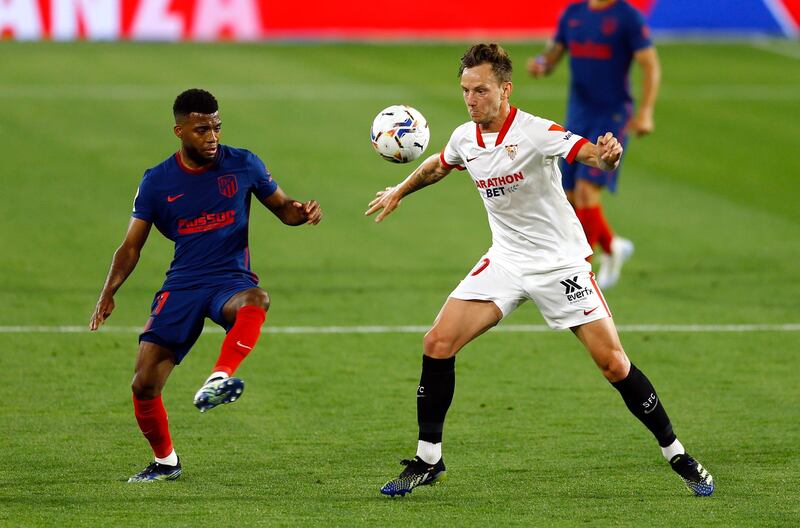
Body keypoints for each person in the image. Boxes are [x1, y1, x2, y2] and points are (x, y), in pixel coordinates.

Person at [366, 44, 711, 498]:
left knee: (612, 363)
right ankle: (429, 458)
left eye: (481, 90)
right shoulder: (465, 137)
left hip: (558, 264)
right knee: (438, 342)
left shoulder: (536, 132)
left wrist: (607, 156)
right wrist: (401, 190)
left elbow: (587, 153)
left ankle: (678, 454)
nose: (471, 100)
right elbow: (437, 166)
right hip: (507, 260)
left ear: (505, 90)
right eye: (466, 90)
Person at [89, 88, 322, 483]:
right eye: (201, 129)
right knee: (144, 384)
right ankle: (166, 462)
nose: (212, 137)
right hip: (182, 284)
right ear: (179, 130)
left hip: (229, 279)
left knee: (256, 298)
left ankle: (219, 376)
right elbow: (131, 246)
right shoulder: (157, 181)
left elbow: (284, 208)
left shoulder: (243, 164)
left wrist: (303, 212)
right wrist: (108, 292)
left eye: (216, 127)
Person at [527, 0, 661, 289]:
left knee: (588, 191)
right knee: (571, 195)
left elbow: (650, 65)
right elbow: (553, 54)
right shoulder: (574, 14)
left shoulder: (627, 17)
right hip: (578, 114)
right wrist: (541, 64)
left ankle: (580, 273)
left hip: (611, 115)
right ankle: (612, 248)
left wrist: (645, 112)